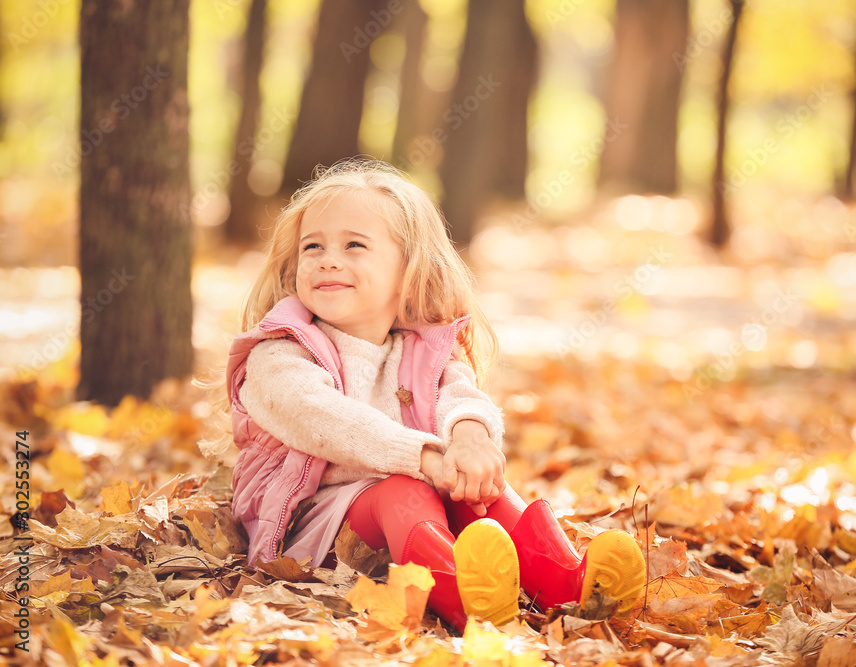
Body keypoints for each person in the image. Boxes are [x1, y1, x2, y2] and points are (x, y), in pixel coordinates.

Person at [206, 158, 645, 630]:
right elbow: (322, 419)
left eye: (354, 245)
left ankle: (566, 584)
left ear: (408, 271)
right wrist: (427, 456)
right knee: (403, 489)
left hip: (415, 509)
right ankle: (461, 595)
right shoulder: (279, 354)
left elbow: (461, 395)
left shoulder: (422, 349)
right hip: (308, 529)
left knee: (480, 492)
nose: (328, 258)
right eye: (313, 247)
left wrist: (470, 440)